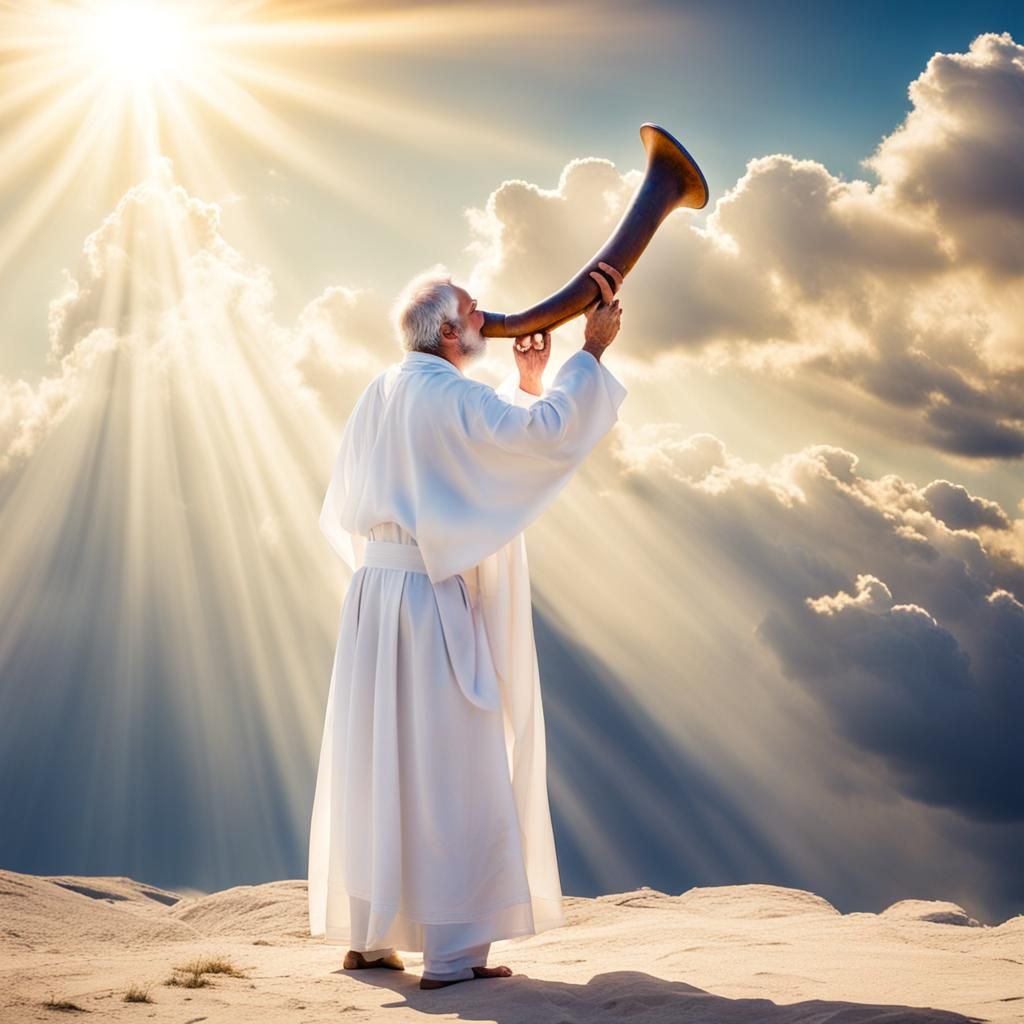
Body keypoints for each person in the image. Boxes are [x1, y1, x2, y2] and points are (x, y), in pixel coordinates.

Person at [308, 261, 626, 989]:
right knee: (454, 768)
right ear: (451, 332)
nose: (488, 318)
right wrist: (592, 352)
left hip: (374, 597)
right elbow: (538, 440)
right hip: (426, 598)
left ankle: (370, 935)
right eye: (476, 311)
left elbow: (476, 448)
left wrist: (527, 381)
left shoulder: (384, 388)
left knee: (380, 762)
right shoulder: (449, 394)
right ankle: (450, 955)